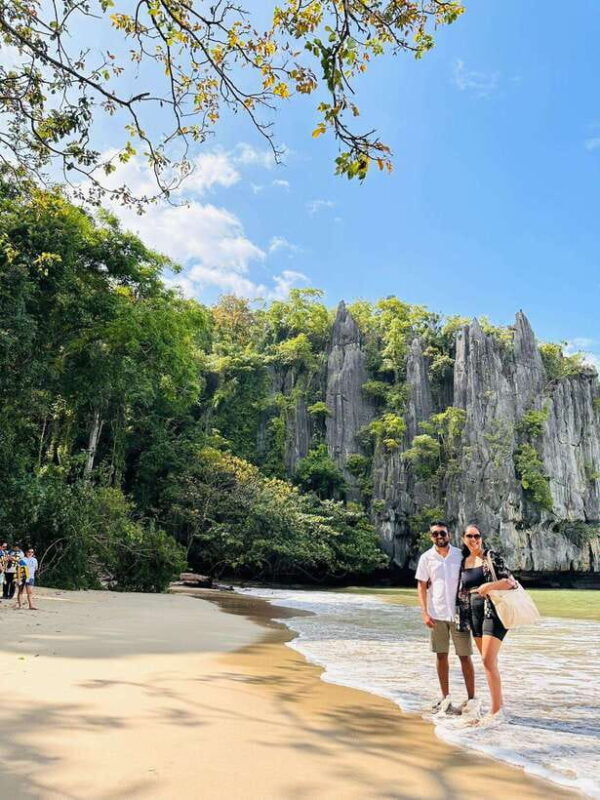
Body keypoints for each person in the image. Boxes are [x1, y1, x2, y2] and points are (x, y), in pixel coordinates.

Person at [455, 523, 517, 728]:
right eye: (469, 536)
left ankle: (496, 711)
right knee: (489, 663)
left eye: (477, 536)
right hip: (473, 613)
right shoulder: (463, 562)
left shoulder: (491, 556)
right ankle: (499, 706)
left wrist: (489, 586)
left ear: (481, 538)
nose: (474, 539)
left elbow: (510, 582)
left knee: (487, 660)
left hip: (493, 610)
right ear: (463, 539)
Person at [415, 521, 478, 717]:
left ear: (449, 534)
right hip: (436, 614)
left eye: (442, 533)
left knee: (465, 656)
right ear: (430, 537)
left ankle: (471, 699)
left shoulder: (460, 555)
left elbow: (473, 577)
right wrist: (424, 612)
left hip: (459, 613)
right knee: (441, 656)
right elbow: (422, 586)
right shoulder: (426, 558)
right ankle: (446, 698)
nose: (439, 536)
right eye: (435, 534)